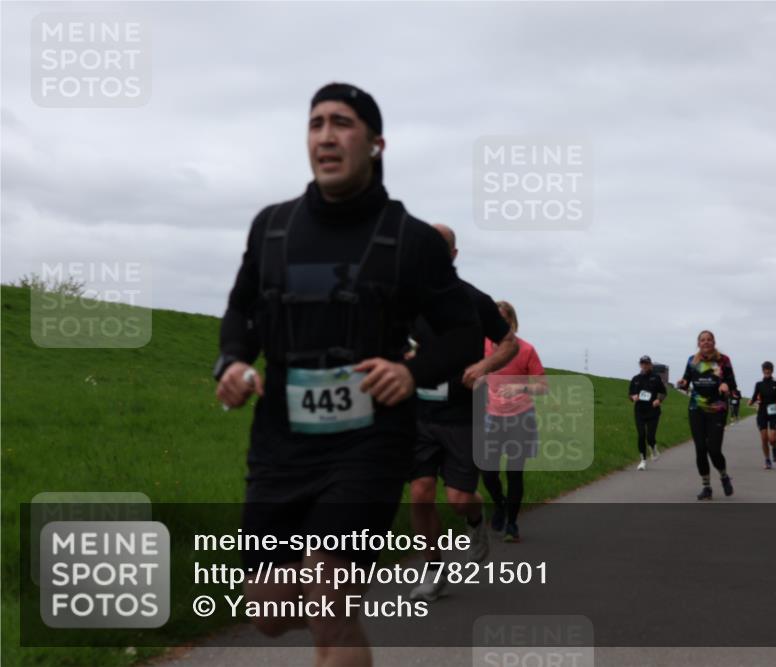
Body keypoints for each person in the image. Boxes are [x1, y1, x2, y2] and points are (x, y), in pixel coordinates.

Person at [213, 82, 481, 667]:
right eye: (316, 124)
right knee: (271, 612)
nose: (326, 135)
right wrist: (232, 362)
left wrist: (412, 371)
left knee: (331, 597)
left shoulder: (411, 240)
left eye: (342, 123)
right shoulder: (272, 229)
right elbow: (241, 311)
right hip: (281, 442)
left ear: (376, 143)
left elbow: (464, 333)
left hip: (369, 441)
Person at [407, 224, 519, 602]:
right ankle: (433, 572)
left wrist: (485, 366)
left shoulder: (474, 299)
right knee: (420, 493)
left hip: (461, 415)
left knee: (458, 499)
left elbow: (509, 343)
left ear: (453, 256)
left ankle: (476, 521)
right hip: (419, 412)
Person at [480, 300, 547, 543]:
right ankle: (500, 505)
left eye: (503, 320)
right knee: (487, 473)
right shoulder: (483, 346)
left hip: (521, 418)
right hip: (492, 417)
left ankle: (512, 524)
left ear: (512, 322)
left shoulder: (526, 350)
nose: (498, 324)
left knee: (514, 473)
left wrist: (521, 386)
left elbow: (543, 387)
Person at [675, 330, 738, 500]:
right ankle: (706, 486)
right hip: (697, 408)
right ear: (698, 343)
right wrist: (683, 382)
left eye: (709, 339)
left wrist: (725, 384)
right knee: (701, 449)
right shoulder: (692, 360)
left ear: (714, 342)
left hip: (717, 408)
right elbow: (687, 378)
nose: (706, 342)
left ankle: (724, 476)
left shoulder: (723, 360)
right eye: (702, 340)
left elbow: (732, 382)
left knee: (714, 449)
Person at [629, 355, 667, 470]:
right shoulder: (635, 379)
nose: (644, 365)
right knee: (641, 435)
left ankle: (653, 448)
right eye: (642, 363)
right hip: (639, 411)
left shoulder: (656, 378)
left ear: (650, 365)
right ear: (640, 365)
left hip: (653, 411)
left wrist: (658, 400)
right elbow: (630, 395)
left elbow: (663, 392)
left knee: (650, 437)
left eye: (647, 363)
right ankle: (643, 461)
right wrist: (633, 397)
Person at [748, 361, 776, 469]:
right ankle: (767, 460)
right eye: (765, 370)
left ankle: (775, 447)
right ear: (762, 371)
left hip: (774, 412)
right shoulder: (758, 384)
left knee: (772, 439)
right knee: (764, 438)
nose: (767, 371)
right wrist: (751, 402)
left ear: (772, 370)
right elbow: (754, 396)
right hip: (762, 413)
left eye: (769, 370)